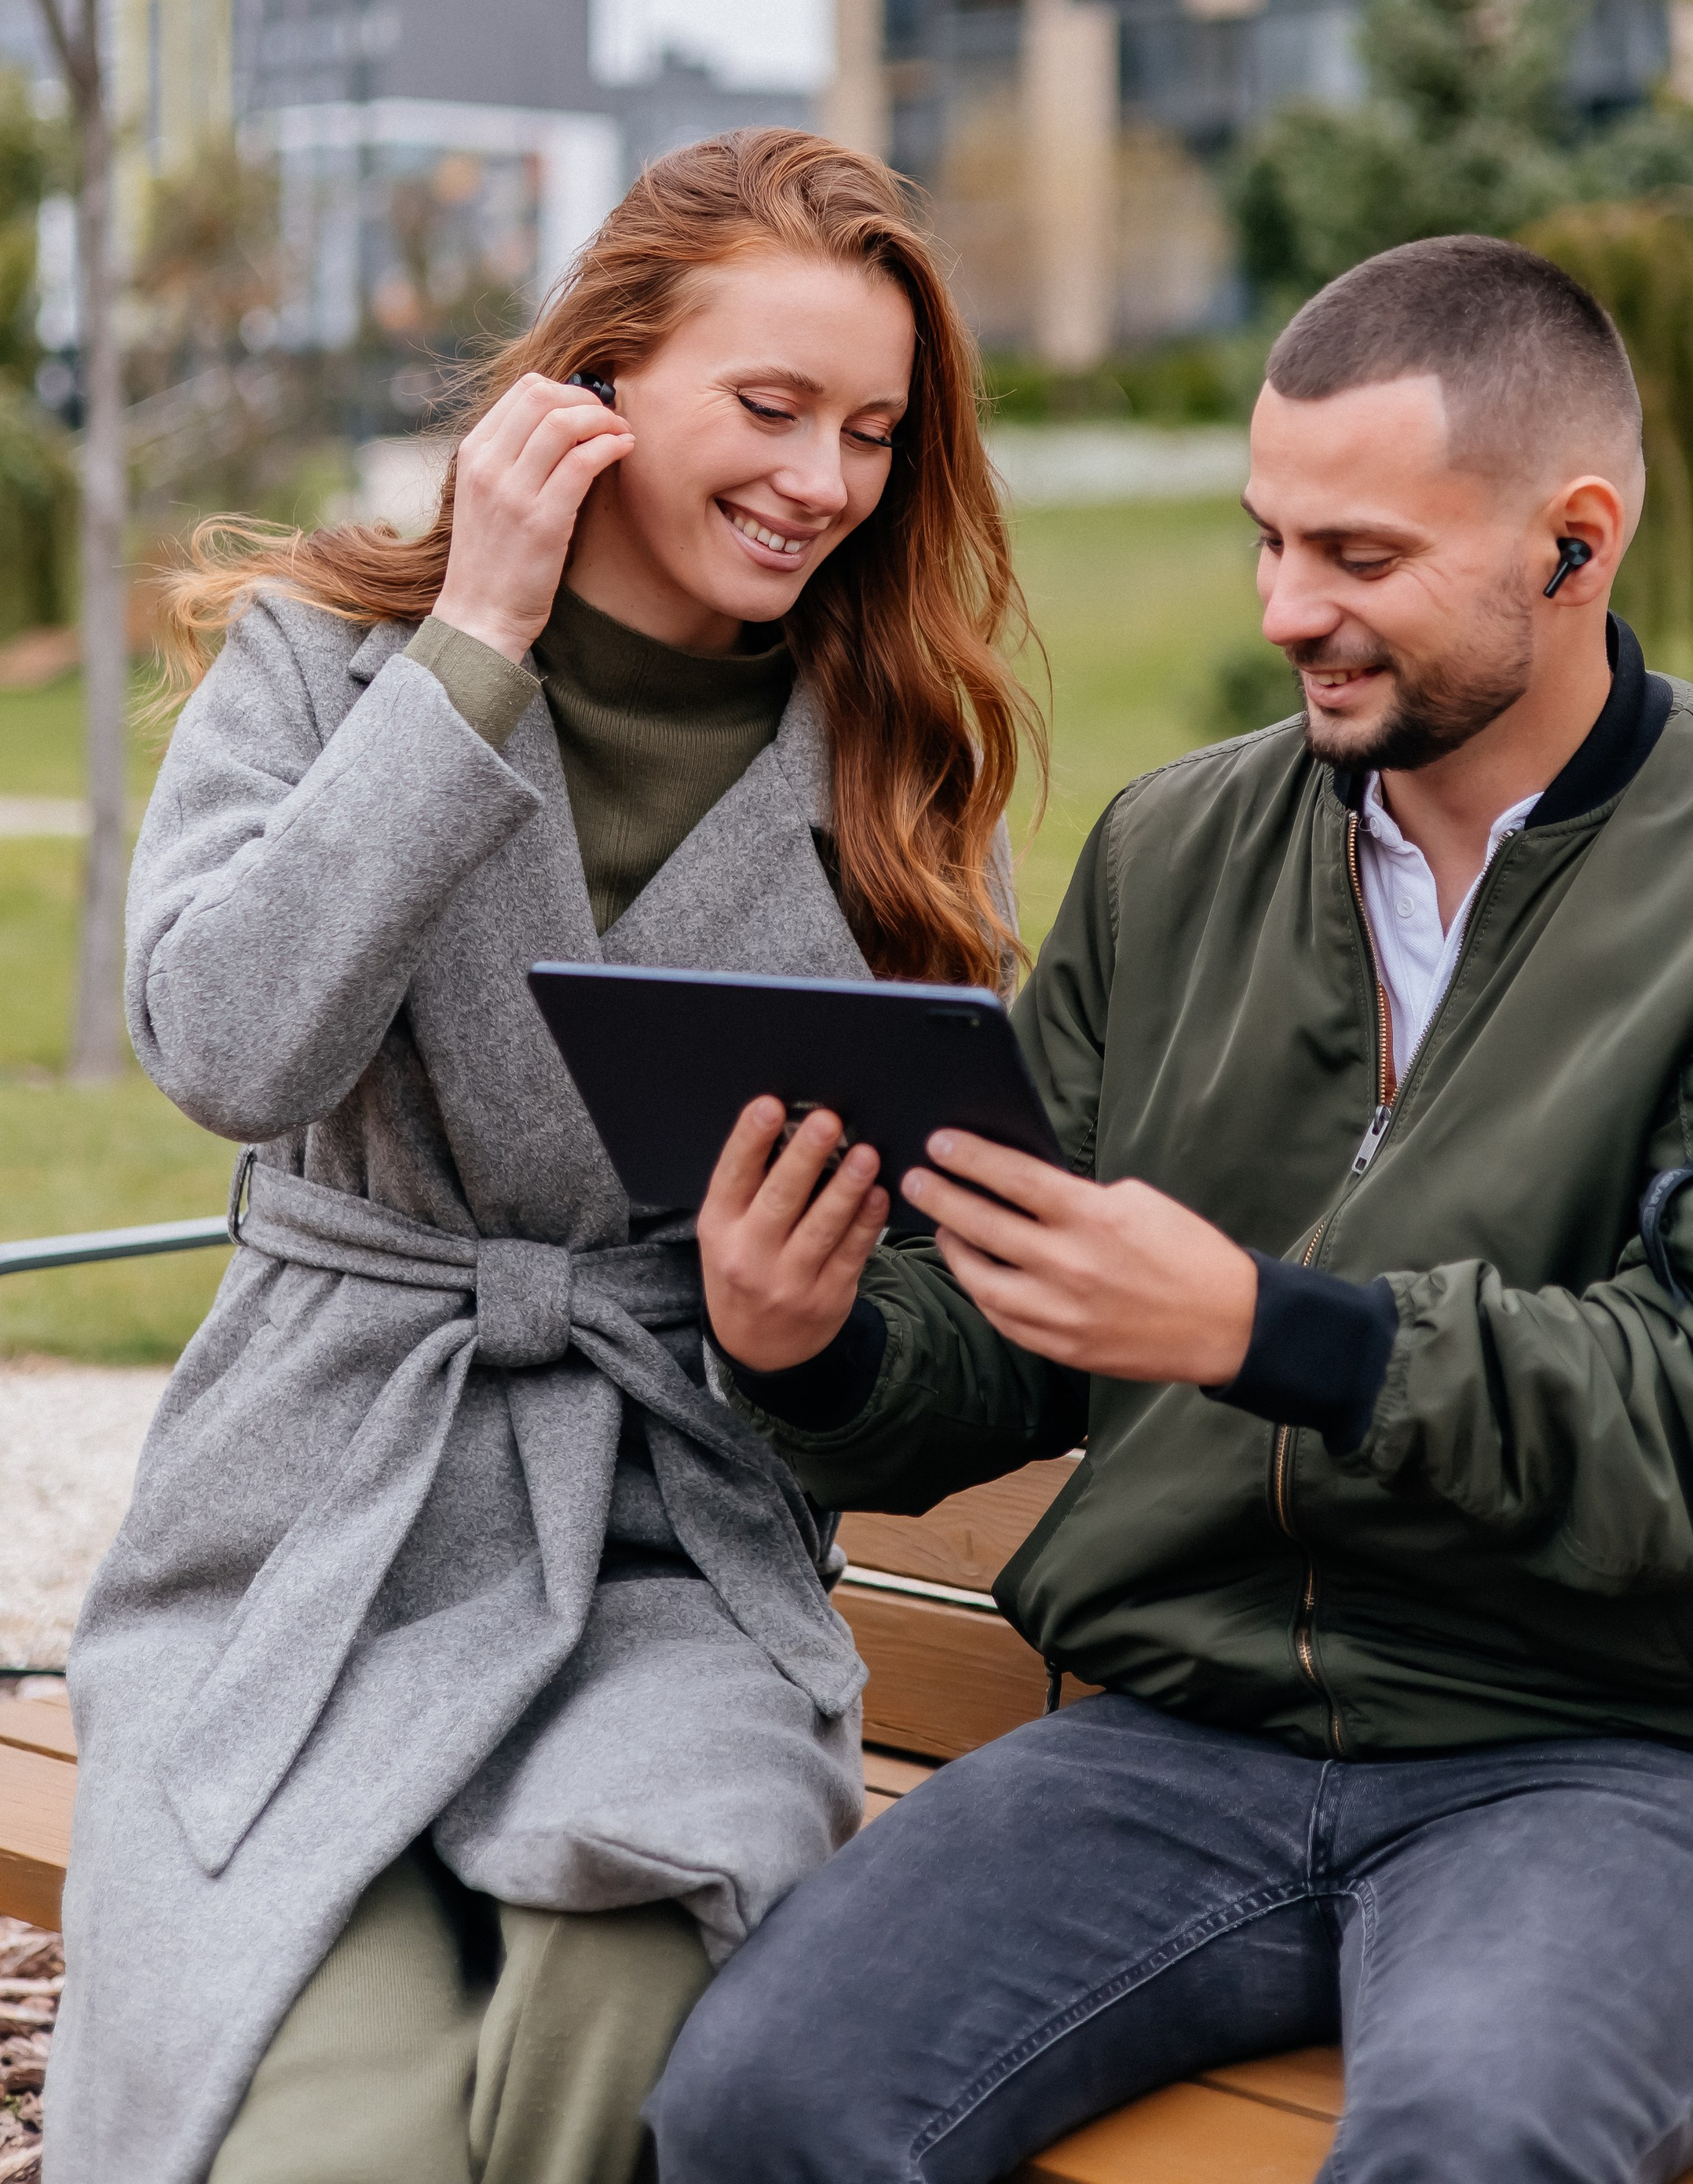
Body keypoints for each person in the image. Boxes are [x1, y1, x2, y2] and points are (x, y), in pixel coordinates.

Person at [648, 234, 1693, 2184]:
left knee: (1466, 2151)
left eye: (1356, 558)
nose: (1286, 609)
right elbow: (1000, 1342)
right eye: (1268, 539)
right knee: (751, 2110)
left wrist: (1276, 1334)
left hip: (1618, 1763)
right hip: (1175, 1734)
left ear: (1571, 543)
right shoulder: (1173, 849)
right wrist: (813, 1341)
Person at [42, 130, 1036, 2184]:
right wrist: (472, 643)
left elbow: (960, 1242)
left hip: (674, 1547)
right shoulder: (326, 658)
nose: (822, 482)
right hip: (322, 1521)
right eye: (768, 410)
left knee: (614, 2050)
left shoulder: (899, 765)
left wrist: (802, 1335)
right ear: (597, 383)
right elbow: (228, 1044)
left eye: (871, 430)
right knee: (328, 2137)